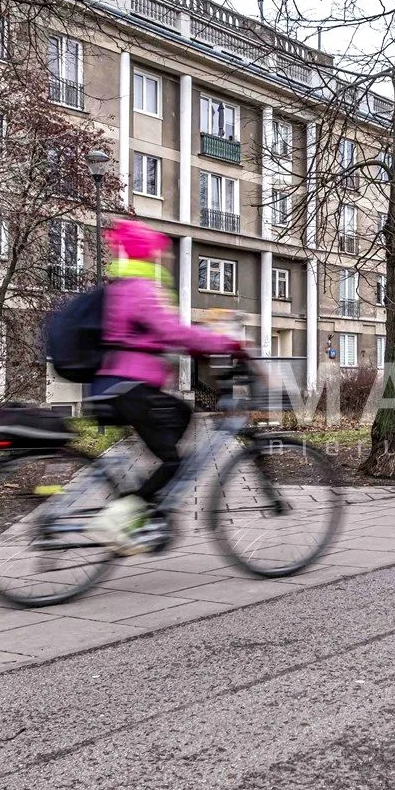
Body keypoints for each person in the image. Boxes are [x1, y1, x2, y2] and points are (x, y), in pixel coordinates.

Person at [85, 219, 250, 552]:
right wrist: (225, 344)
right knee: (173, 461)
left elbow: (159, 337)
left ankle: (150, 505)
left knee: (181, 415)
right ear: (147, 255)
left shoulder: (125, 287)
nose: (162, 260)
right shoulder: (140, 288)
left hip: (120, 385)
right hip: (128, 387)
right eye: (158, 254)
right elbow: (172, 333)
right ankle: (131, 517)